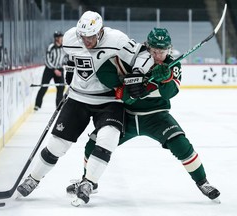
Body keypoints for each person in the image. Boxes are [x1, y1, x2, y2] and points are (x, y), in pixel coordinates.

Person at [66, 28, 221, 202]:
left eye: (161, 51)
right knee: (94, 143)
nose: (157, 55)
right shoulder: (133, 57)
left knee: (181, 144)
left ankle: (203, 182)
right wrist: (126, 89)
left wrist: (166, 78)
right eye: (153, 51)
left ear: (168, 49)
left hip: (156, 117)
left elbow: (169, 93)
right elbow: (107, 74)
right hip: (126, 116)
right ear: (146, 47)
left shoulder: (173, 64)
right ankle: (88, 182)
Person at [17, 11, 153, 206]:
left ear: (100, 31)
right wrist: (71, 70)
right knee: (57, 144)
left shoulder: (117, 39)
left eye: (90, 36)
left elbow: (143, 54)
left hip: (109, 98)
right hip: (78, 97)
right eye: (84, 36)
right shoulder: (72, 37)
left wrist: (138, 73)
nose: (86, 41)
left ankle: (89, 182)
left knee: (109, 137)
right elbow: (73, 57)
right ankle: (33, 178)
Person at [34, 31, 66, 111]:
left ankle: (59, 106)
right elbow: (47, 60)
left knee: (61, 88)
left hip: (59, 69)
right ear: (56, 38)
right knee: (44, 87)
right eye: (59, 37)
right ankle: (37, 105)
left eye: (61, 37)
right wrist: (54, 69)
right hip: (49, 69)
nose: (60, 39)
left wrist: (63, 66)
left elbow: (66, 58)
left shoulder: (64, 48)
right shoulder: (51, 47)